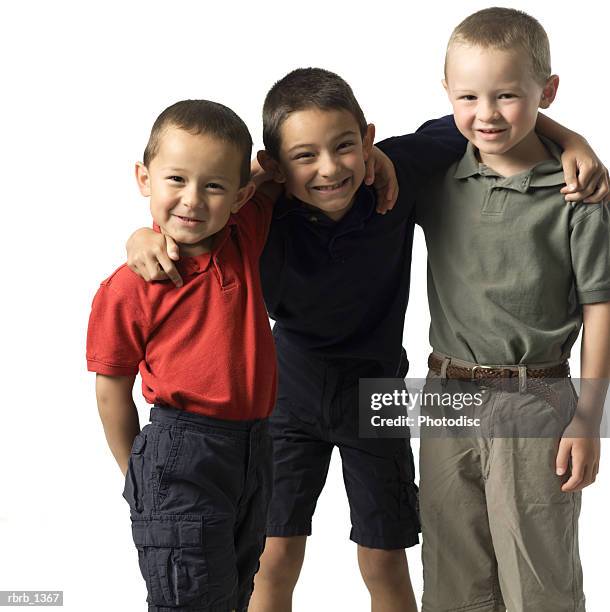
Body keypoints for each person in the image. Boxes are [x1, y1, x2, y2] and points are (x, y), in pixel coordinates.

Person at [125, 68, 608, 612]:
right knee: (275, 557)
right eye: (305, 156)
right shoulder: (259, 210)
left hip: (377, 391)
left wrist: (573, 139)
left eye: (344, 148)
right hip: (287, 392)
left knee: (384, 558)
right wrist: (142, 235)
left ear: (369, 140)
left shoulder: (397, 172)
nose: (329, 169)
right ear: (276, 168)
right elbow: (195, 214)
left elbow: (488, 119)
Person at [415, 8, 610, 612]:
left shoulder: (577, 194)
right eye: (469, 96)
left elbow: (600, 306)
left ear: (546, 93)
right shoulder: (435, 176)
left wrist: (588, 416)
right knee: (451, 579)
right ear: (446, 91)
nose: (487, 113)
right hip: (446, 394)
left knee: (539, 581)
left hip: (538, 399)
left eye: (508, 96)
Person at [87, 99, 278, 611]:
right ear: (143, 178)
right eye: (176, 180)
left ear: (240, 197)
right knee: (189, 598)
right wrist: (139, 479)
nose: (192, 200)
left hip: (254, 450)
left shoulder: (242, 237)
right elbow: (111, 391)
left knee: (235, 593)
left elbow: (274, 167)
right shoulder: (130, 286)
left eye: (214, 186)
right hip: (180, 452)